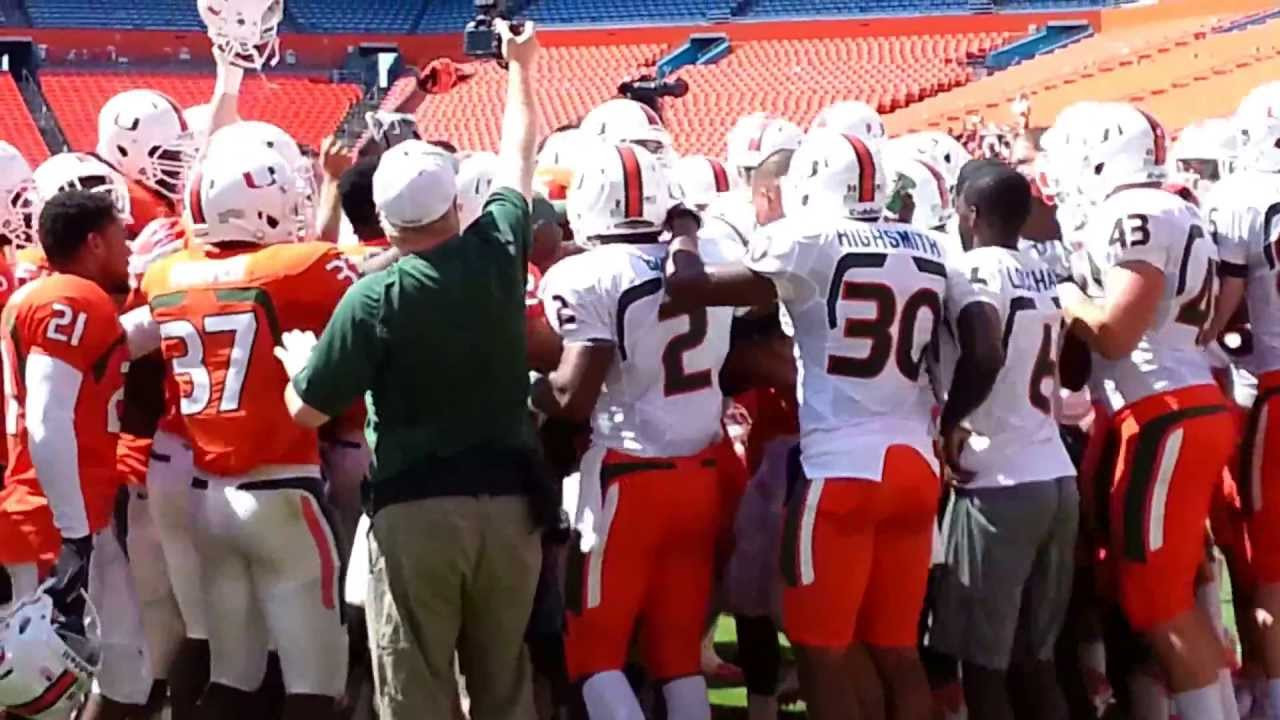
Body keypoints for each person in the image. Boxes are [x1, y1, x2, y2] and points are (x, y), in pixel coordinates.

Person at [665, 129, 1003, 720]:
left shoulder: (810, 238)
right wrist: (952, 421)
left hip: (842, 472)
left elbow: (688, 288)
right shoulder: (930, 245)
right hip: (914, 465)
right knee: (896, 650)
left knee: (823, 650)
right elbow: (985, 346)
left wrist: (684, 231)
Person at [275, 19, 545, 720]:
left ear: (386, 224)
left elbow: (304, 410)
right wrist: (520, 68)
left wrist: (301, 364)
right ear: (455, 202)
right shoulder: (496, 252)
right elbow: (520, 154)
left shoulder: (373, 296)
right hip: (511, 505)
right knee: (505, 682)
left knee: (415, 686)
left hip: (417, 507)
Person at [128, 139, 354, 720]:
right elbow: (366, 274)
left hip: (208, 496)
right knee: (315, 682)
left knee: (234, 677)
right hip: (281, 492)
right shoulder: (295, 266)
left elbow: (127, 340)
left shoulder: (168, 274)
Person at [1054, 103, 1238, 720]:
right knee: (1172, 594)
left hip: (1161, 412)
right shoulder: (1175, 207)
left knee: (1156, 601)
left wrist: (1064, 295)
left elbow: (1114, 333)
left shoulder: (1134, 211)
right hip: (1178, 404)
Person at [531, 141, 725, 720]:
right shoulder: (707, 255)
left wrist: (524, 390)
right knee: (678, 655)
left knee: (594, 654)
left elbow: (572, 394)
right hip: (702, 469)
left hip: (631, 476)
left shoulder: (584, 273)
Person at [927, 165, 1079, 720]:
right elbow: (1077, 361)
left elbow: (985, 352)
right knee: (1035, 661)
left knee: (984, 668)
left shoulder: (974, 268)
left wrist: (951, 420)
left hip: (999, 481)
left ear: (972, 213)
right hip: (1056, 473)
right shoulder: (1043, 268)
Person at [0, 190, 133, 713]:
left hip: (40, 509)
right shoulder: (72, 298)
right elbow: (47, 419)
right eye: (121, 237)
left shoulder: (42, 294)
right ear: (94, 242)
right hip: (50, 520)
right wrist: (74, 531)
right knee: (38, 686)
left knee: (46, 689)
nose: (129, 249)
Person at [1201, 80, 1280, 717]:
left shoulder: (1241, 196)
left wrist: (1201, 335)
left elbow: (1224, 302)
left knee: (1266, 556)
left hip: (1275, 386)